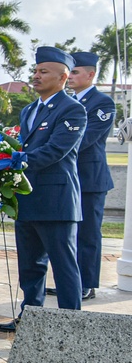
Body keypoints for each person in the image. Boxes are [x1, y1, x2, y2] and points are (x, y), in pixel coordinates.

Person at [0, 47, 86, 333]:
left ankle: (71, 322)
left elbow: (56, 150)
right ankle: (30, 316)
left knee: (63, 265)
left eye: (43, 71)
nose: (36, 76)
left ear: (63, 77)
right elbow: (22, 145)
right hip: (27, 198)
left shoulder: (72, 109)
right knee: (30, 265)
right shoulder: (29, 110)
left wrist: (19, 161)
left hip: (56, 200)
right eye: (35, 71)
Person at [45, 51, 114, 301]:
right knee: (65, 236)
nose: (70, 77)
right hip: (66, 179)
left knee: (87, 234)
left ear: (91, 74)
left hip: (89, 179)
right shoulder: (64, 102)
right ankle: (68, 283)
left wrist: (51, 146)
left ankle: (87, 283)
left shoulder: (102, 103)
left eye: (75, 72)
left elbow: (85, 139)